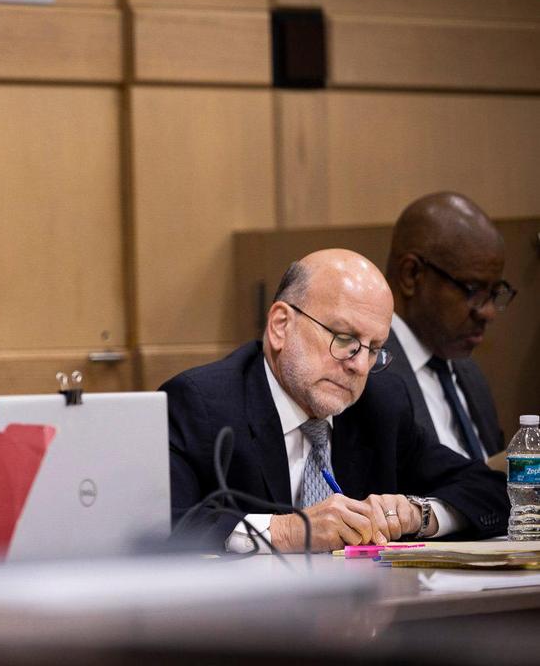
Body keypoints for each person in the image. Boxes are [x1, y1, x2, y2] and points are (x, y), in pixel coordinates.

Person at [161, 248, 508, 553]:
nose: (359, 365)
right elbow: (160, 525)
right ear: (281, 325)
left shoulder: (380, 405)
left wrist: (418, 515)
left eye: (374, 349)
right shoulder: (201, 403)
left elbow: (490, 490)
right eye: (344, 339)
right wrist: (290, 531)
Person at [384, 192, 514, 461]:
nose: (488, 312)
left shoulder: (468, 373)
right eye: (473, 290)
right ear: (412, 275)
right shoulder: (367, 373)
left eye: (495, 292)